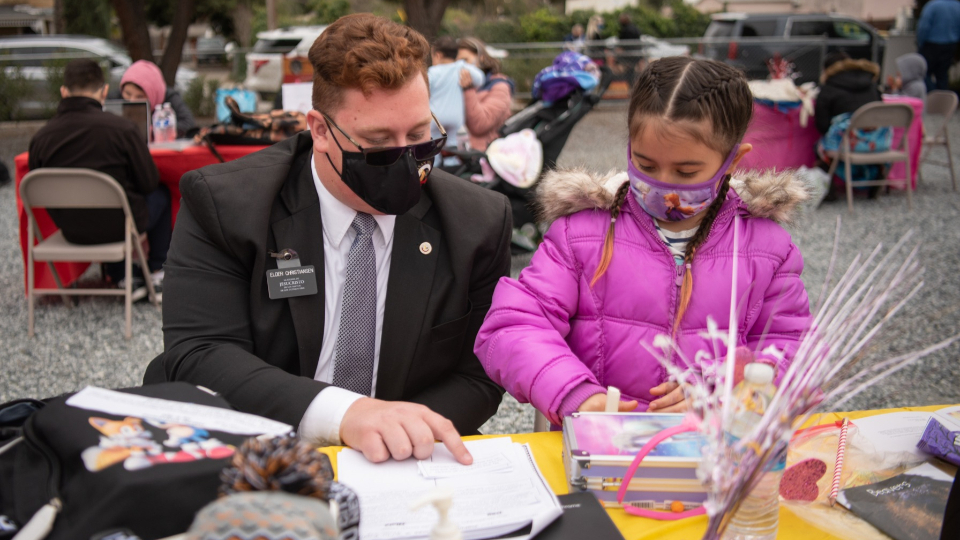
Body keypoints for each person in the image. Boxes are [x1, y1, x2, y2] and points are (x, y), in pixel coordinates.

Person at [143, 14, 512, 465]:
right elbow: (200, 353)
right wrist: (343, 416)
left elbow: (480, 373)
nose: (406, 159)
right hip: (258, 447)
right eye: (378, 143)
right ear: (319, 130)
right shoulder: (228, 204)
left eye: (419, 136)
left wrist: (401, 433)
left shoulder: (477, 221)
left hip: (399, 462)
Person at [475, 57, 811, 426]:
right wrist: (573, 392)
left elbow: (793, 350)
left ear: (732, 161)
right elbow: (512, 325)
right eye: (646, 165)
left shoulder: (767, 248)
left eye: (686, 171)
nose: (663, 184)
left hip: (711, 447)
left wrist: (725, 386)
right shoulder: (581, 233)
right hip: (598, 442)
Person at [28, 58, 170, 284]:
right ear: (104, 91)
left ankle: (120, 274)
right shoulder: (123, 130)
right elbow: (148, 183)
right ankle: (157, 270)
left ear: (64, 92)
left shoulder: (41, 138)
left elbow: (37, 191)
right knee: (160, 194)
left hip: (71, 230)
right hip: (121, 228)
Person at [814, 52, 887, 191]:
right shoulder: (872, 84)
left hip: (846, 145)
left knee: (820, 146)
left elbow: (822, 126)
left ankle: (828, 187)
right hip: (878, 143)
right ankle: (876, 172)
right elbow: (880, 112)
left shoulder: (828, 88)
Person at [457, 38, 515, 151]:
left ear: (481, 58)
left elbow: (480, 125)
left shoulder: (500, 87)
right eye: (456, 62)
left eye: (465, 60)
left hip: (482, 154)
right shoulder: (456, 85)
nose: (460, 66)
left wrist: (468, 89)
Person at [428, 36, 484, 150]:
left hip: (436, 119)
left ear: (438, 55)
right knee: (453, 146)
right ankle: (451, 159)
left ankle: (436, 160)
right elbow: (480, 78)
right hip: (456, 117)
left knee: (434, 146)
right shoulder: (461, 67)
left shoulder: (433, 72)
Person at [121, 60, 198, 138]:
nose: (132, 101)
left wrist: (155, 132)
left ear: (153, 94)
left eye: (140, 97)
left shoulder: (170, 98)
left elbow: (188, 123)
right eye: (128, 94)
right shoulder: (117, 99)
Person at [916, 0, 960, 91]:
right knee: (942, 74)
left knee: (923, 72)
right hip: (950, 45)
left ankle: (932, 93)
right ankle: (943, 97)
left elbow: (923, 27)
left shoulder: (933, 5)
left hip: (931, 45)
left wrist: (920, 42)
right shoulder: (957, 6)